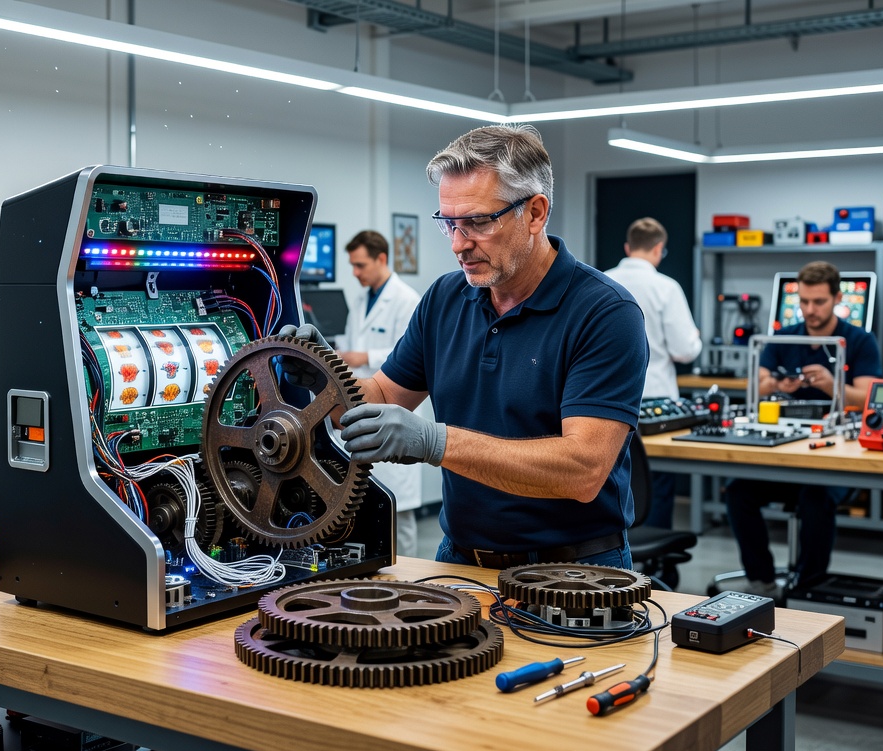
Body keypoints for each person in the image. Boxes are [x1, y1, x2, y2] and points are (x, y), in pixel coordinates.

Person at [284, 124, 647, 570]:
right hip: (459, 558)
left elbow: (583, 470)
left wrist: (435, 441)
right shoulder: (445, 298)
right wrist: (326, 376)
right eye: (449, 224)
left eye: (477, 222)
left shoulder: (605, 312)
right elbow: (380, 398)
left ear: (535, 213)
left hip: (573, 571)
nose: (459, 244)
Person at [723, 261, 881, 598]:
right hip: (786, 459)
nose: (810, 310)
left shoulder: (859, 341)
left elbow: (869, 397)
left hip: (835, 462)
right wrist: (778, 384)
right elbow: (758, 384)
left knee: (816, 497)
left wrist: (832, 385)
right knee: (737, 492)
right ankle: (761, 582)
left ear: (837, 298)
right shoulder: (783, 338)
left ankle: (807, 589)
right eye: (804, 301)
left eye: (819, 302)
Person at [604, 217, 703, 528]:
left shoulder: (601, 281)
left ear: (627, 247)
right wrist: (695, 337)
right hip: (658, 402)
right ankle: (655, 551)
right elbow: (685, 350)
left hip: (606, 400)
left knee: (613, 479)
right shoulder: (666, 288)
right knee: (656, 483)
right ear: (659, 249)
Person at [335, 230, 423, 556]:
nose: (355, 272)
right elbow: (348, 349)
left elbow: (412, 356)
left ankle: (411, 575)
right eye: (352, 266)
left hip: (398, 408)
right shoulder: (360, 300)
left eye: (360, 265)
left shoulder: (407, 300)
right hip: (362, 405)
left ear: (381, 259)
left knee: (399, 512)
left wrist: (365, 356)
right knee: (366, 504)